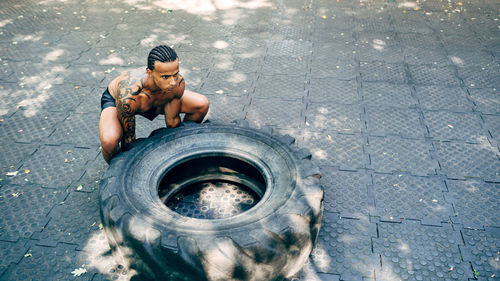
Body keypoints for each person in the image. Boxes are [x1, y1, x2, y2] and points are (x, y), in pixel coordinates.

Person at [99, 45, 209, 164]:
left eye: (175, 74)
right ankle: (114, 168)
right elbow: (129, 139)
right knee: (109, 141)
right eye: (165, 77)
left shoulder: (176, 84)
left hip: (159, 98)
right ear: (149, 72)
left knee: (201, 104)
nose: (172, 82)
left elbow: (172, 123)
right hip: (120, 101)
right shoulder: (129, 95)